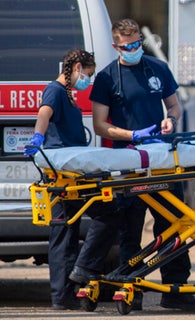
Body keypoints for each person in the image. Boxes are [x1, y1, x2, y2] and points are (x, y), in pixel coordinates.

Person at [69, 18, 195, 311]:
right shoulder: (108, 78)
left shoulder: (156, 68)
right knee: (130, 229)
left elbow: (174, 105)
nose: (133, 49)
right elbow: (99, 125)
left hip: (162, 159)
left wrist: (171, 118)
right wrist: (133, 135)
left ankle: (176, 288)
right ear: (115, 46)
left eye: (137, 43)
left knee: (174, 223)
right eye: (127, 45)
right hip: (129, 162)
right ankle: (132, 287)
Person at [24, 49, 98, 310]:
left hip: (71, 175)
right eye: (88, 74)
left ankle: (70, 287)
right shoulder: (54, 90)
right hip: (60, 176)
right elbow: (44, 113)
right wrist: (37, 138)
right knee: (63, 235)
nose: (87, 80)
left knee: (70, 232)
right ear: (77, 67)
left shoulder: (68, 94)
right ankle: (62, 297)